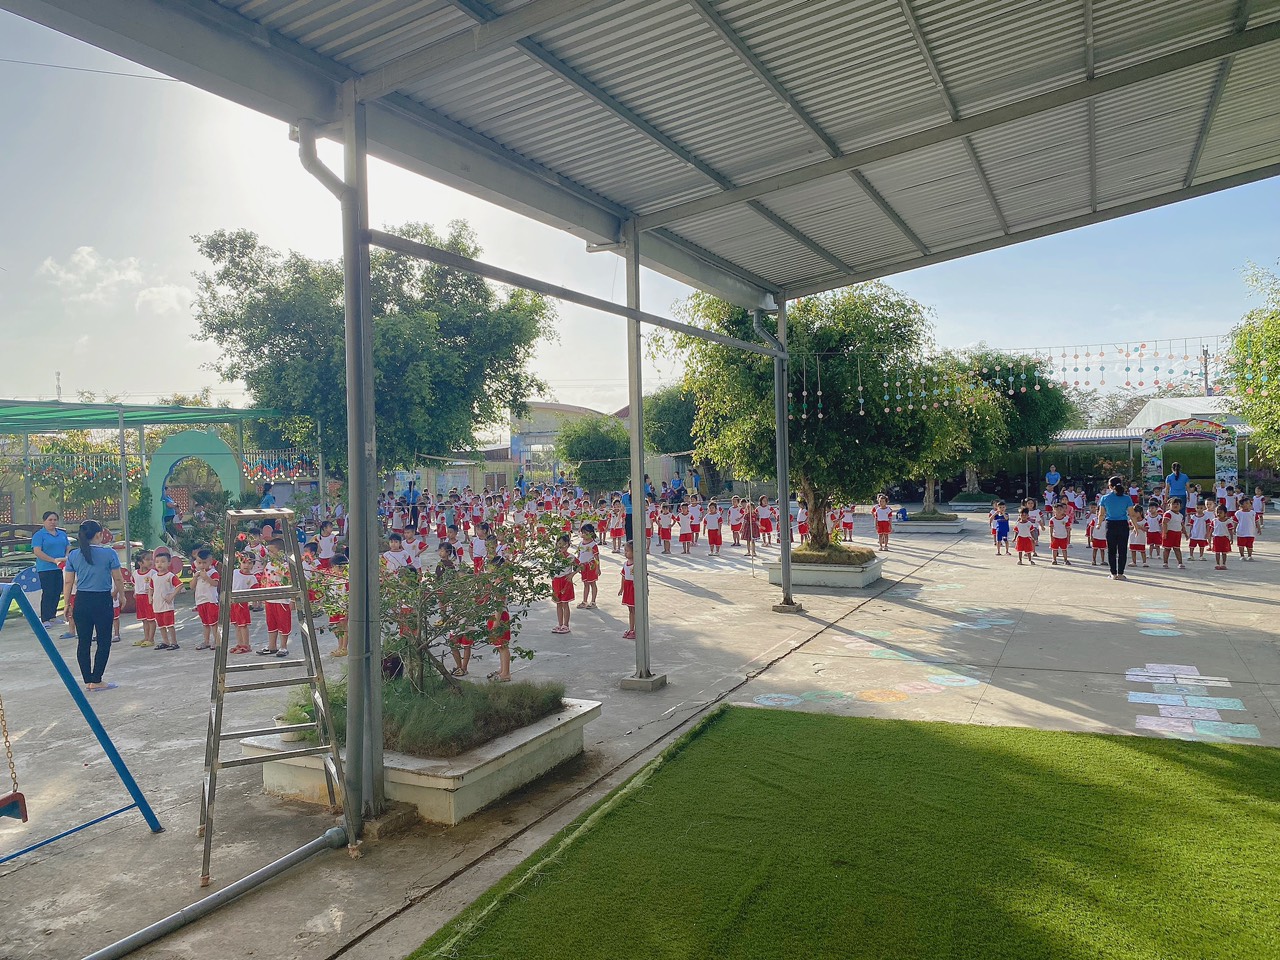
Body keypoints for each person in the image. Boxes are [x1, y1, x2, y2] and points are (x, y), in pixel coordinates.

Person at [61, 520, 126, 691]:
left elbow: (68, 582)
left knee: (83, 642)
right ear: (99, 534)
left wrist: (66, 603)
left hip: (82, 600)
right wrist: (122, 595)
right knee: (104, 641)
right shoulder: (109, 553)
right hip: (102, 599)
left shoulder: (74, 555)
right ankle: (97, 679)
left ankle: (88, 679)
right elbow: (118, 578)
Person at [32, 511, 72, 632]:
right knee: (48, 592)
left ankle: (53, 616)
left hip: (60, 568)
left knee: (57, 591)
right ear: (44, 521)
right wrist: (53, 560)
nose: (53, 522)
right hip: (45, 568)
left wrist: (66, 556)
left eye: (55, 520)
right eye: (50, 520)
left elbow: (68, 546)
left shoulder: (61, 534)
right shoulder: (39, 535)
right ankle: (45, 618)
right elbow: (37, 551)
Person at [1097, 476, 1135, 580]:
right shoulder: (1127, 498)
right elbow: (1132, 514)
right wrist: (1135, 526)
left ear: (1110, 486)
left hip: (1110, 525)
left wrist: (1099, 524)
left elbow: (1101, 514)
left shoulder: (1105, 498)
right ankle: (1121, 573)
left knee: (1111, 550)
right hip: (1123, 525)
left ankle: (1113, 573)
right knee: (1122, 550)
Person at [150, 552, 185, 650]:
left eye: (163, 561)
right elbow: (151, 588)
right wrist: (150, 597)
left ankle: (174, 642)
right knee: (161, 625)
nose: (159, 564)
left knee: (170, 625)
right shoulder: (154, 576)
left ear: (169, 563)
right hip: (157, 605)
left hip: (167, 606)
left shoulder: (170, 576)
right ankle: (165, 641)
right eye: (157, 562)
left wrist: (172, 596)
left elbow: (180, 585)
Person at [192, 548, 221, 650]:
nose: (202, 565)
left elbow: (215, 583)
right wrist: (195, 577)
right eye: (199, 563)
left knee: (213, 623)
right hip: (200, 601)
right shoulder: (197, 573)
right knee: (205, 623)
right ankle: (206, 641)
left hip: (211, 600)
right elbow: (192, 586)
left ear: (210, 562)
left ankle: (216, 641)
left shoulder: (213, 572)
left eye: (204, 563)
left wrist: (206, 578)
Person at [551, 534, 576, 634]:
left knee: (565, 603)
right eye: (559, 543)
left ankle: (566, 625)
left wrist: (572, 574)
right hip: (556, 582)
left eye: (564, 544)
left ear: (568, 545)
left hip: (566, 582)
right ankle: (560, 624)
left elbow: (580, 566)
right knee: (558, 603)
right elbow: (551, 566)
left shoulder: (570, 557)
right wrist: (552, 576)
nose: (561, 546)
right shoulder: (555, 556)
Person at [577, 523, 601, 608]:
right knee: (585, 584)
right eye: (582, 532)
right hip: (583, 566)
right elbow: (579, 555)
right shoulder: (580, 544)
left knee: (592, 583)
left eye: (586, 533)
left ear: (591, 534)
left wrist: (598, 568)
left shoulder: (593, 545)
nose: (583, 535)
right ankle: (584, 601)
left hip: (591, 566)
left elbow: (596, 557)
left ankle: (593, 602)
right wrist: (578, 565)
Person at [1161, 498, 1186, 569]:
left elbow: (1182, 524)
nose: (1175, 505)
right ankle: (1165, 563)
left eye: (1177, 504)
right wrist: (1165, 532)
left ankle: (1180, 563)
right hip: (1169, 533)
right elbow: (1164, 523)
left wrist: (1185, 533)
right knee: (1167, 549)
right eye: (1173, 504)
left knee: (1177, 548)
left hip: (1177, 533)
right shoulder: (1168, 514)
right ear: (1169, 505)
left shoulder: (1180, 515)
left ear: (1180, 506)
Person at [619, 541, 636, 639]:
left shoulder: (636, 564)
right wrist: (622, 588)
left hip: (634, 588)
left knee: (635, 609)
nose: (625, 553)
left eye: (627, 551)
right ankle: (631, 628)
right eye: (625, 551)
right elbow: (623, 576)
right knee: (630, 609)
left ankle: (636, 629)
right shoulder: (625, 564)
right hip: (627, 588)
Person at [1210, 504, 1235, 570]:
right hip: (1216, 538)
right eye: (1217, 512)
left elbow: (1230, 530)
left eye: (1220, 512)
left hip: (1225, 538)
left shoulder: (1228, 521)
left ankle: (1223, 564)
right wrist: (1209, 536)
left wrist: (1231, 538)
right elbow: (1211, 529)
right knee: (1217, 552)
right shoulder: (1214, 521)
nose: (1218, 514)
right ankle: (1217, 564)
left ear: (1225, 513)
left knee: (1224, 552)